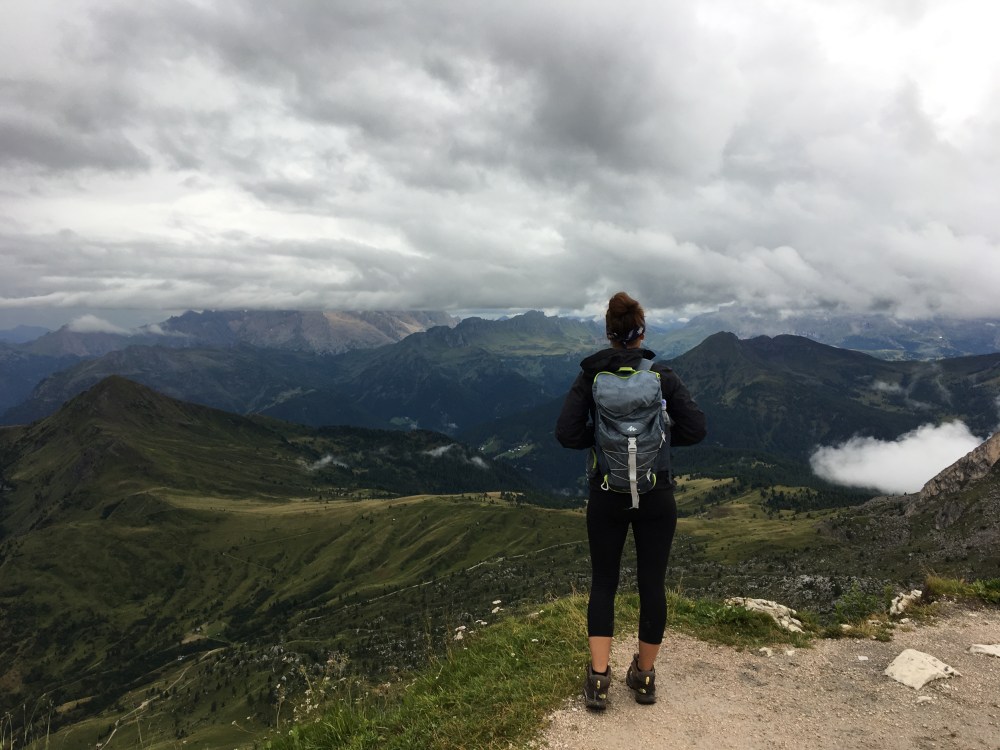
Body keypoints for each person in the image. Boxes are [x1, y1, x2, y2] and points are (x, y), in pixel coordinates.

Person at [555, 291, 706, 710]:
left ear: (609, 333)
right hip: (657, 495)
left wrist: (604, 443)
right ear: (641, 333)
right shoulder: (663, 377)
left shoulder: (591, 378)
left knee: (604, 582)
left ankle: (599, 682)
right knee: (651, 584)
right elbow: (696, 430)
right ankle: (643, 678)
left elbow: (566, 433)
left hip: (606, 494)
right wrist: (657, 437)